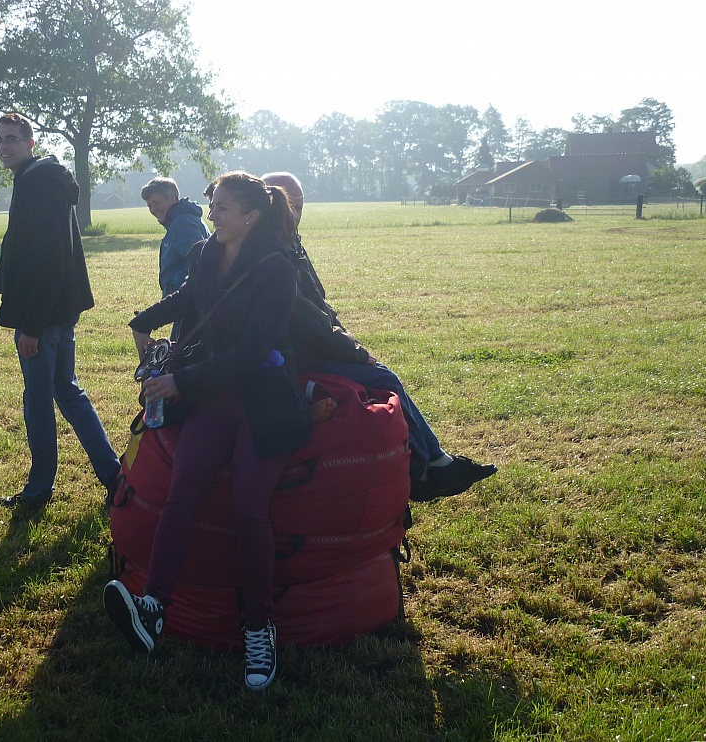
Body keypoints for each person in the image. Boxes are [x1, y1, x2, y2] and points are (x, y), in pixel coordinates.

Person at [104, 172, 306, 691]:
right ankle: (152, 608)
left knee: (248, 509)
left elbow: (253, 350)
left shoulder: (277, 269)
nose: (211, 213)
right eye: (213, 204)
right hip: (214, 399)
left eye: (221, 207)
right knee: (181, 495)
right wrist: (141, 321)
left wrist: (181, 381)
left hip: (261, 401)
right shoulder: (207, 254)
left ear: (251, 217)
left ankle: (258, 628)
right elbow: (189, 298)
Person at [260, 171, 496, 500]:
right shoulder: (274, 255)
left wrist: (349, 340)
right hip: (299, 355)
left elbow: (321, 307)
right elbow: (307, 323)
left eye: (300, 207)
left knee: (382, 375)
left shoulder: (290, 243)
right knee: (384, 378)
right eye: (290, 206)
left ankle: (434, 461)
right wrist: (355, 352)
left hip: (314, 345)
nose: (295, 214)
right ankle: (426, 467)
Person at [0, 112, 121, 509]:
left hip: (43, 315)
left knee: (38, 401)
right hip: (58, 309)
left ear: (30, 143)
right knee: (67, 390)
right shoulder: (38, 178)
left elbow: (50, 259)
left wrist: (31, 325)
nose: (4, 146)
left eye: (12, 139)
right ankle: (115, 478)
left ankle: (38, 491)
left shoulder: (39, 183)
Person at [140, 177, 211, 297]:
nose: (153, 209)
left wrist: (172, 289)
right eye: (150, 206)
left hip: (186, 299)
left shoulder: (183, 223)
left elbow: (198, 259)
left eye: (157, 203)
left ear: (172, 197)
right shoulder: (179, 220)